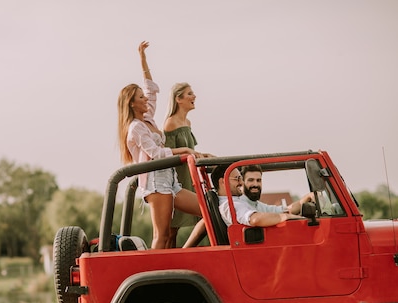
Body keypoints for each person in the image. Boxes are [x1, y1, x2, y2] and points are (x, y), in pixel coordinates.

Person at [117, 41, 204, 249]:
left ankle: (184, 255)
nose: (145, 100)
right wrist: (184, 150)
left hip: (171, 180)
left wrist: (143, 59)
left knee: (205, 209)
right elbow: (155, 153)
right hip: (156, 183)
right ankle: (154, 274)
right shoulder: (135, 128)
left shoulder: (148, 119)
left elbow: (151, 90)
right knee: (162, 236)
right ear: (131, 103)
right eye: (140, 98)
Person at [163, 82, 215, 248]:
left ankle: (186, 251)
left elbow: (191, 151)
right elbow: (167, 153)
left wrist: (203, 155)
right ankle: (168, 262)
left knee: (205, 216)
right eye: (189, 94)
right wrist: (187, 152)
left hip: (190, 176)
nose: (194, 97)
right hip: (176, 178)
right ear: (178, 99)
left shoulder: (188, 123)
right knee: (172, 231)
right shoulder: (170, 123)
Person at [211, 164, 303, 227]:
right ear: (223, 182)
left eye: (258, 180)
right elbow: (255, 219)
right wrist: (286, 217)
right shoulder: (230, 204)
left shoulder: (234, 202)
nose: (241, 182)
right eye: (237, 179)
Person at [241, 165, 314, 215]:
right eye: (251, 180)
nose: (255, 184)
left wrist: (308, 197)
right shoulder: (237, 203)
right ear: (242, 182)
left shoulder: (260, 207)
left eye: (258, 180)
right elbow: (255, 219)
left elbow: (288, 210)